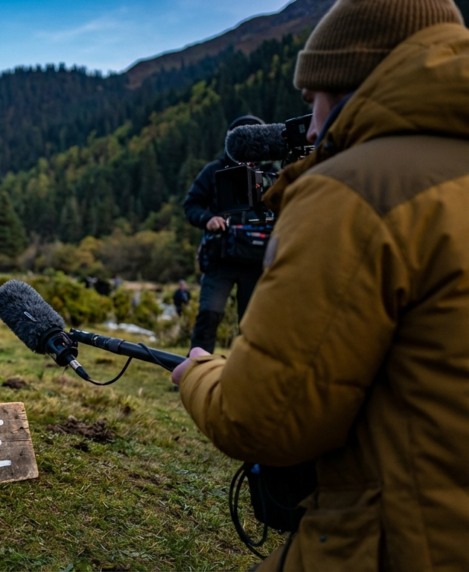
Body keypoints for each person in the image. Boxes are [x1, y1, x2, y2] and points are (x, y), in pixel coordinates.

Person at [171, 0, 469, 569]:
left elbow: (260, 419)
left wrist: (200, 375)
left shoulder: (354, 190)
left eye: (313, 103)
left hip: (411, 541)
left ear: (348, 82)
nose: (308, 128)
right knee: (213, 314)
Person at [183, 115, 266, 352]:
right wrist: (208, 219)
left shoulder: (268, 174)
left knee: (252, 323)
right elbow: (191, 205)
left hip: (256, 259)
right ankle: (194, 371)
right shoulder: (214, 171)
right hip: (220, 257)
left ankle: (248, 378)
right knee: (209, 315)